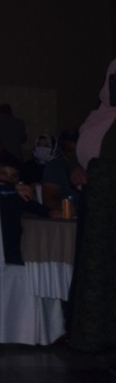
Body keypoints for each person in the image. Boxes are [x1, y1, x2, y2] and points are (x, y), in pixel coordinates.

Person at [67, 60, 116, 352]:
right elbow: (80, 156)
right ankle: (90, 334)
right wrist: (77, 171)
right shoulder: (99, 116)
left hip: (109, 204)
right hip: (95, 201)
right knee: (93, 270)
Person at [0, 153, 54, 265]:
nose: (9, 179)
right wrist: (13, 187)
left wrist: (51, 213)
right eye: (3, 174)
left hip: (13, 252)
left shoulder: (15, 195)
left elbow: (32, 206)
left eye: (13, 176)